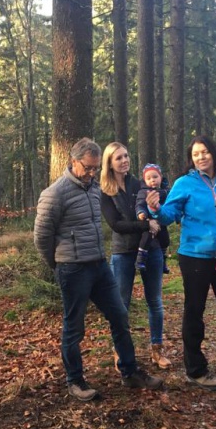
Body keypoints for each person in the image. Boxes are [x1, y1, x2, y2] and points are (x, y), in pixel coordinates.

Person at [34, 138, 164, 401]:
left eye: (95, 168)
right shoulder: (55, 194)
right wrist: (58, 263)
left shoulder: (94, 189)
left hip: (99, 265)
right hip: (73, 268)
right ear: (73, 161)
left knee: (119, 316)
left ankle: (129, 372)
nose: (92, 173)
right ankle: (75, 381)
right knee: (74, 326)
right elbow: (41, 236)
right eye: (88, 168)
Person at [147, 136, 216, 391]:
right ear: (191, 159)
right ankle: (196, 369)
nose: (201, 157)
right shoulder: (185, 183)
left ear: (214, 153)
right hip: (195, 256)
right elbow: (169, 215)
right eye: (196, 154)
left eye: (205, 152)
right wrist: (156, 210)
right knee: (195, 310)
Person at [100, 143, 171, 369]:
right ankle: (120, 351)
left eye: (126, 156)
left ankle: (156, 350)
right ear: (109, 163)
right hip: (122, 252)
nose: (124, 161)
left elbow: (160, 204)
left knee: (155, 301)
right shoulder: (105, 191)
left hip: (152, 247)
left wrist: (157, 208)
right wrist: (145, 224)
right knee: (121, 305)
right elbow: (116, 224)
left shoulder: (139, 183)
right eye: (118, 158)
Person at [135, 163, 171, 273]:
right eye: (149, 178)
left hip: (162, 221)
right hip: (149, 221)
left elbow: (172, 205)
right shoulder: (144, 192)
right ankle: (140, 259)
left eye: (155, 177)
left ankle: (163, 261)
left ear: (161, 177)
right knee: (146, 238)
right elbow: (139, 204)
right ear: (145, 180)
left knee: (165, 240)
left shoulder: (166, 191)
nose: (152, 180)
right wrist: (141, 213)